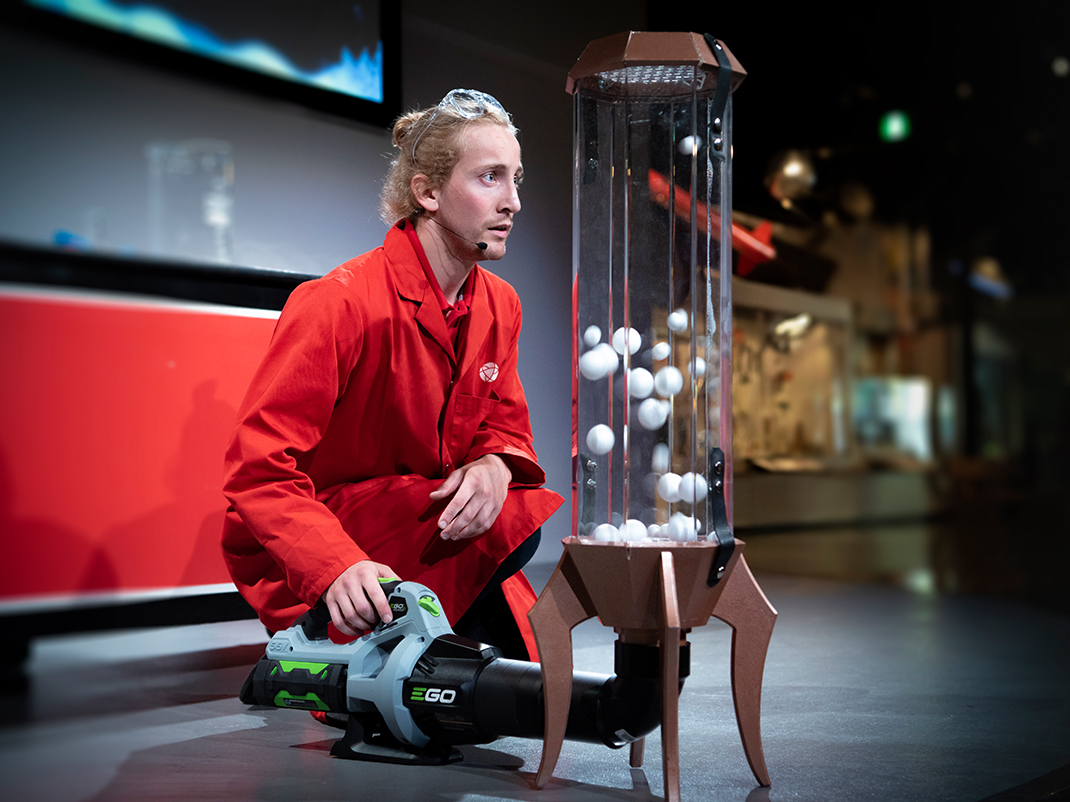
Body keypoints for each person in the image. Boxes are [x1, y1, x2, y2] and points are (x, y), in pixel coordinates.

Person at [221, 89, 562, 659]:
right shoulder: (337, 303)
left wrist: (495, 465)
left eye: (516, 179)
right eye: (490, 178)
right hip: (325, 540)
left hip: (423, 524)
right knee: (469, 691)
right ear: (426, 192)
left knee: (522, 683)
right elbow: (258, 473)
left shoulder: (501, 304)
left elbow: (505, 428)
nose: (513, 203)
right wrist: (336, 566)